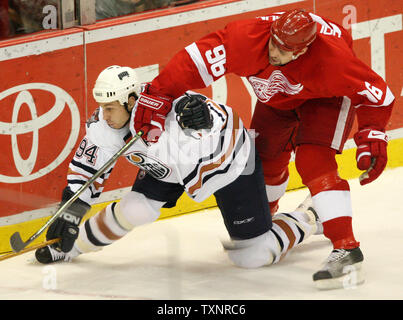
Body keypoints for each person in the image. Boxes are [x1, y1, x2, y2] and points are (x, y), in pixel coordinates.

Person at [135, 9, 396, 289]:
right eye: (273, 43)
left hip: (325, 100)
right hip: (276, 101)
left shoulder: (332, 60)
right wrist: (159, 94)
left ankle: (346, 248)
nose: (273, 52)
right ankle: (264, 225)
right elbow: (193, 61)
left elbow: (378, 95)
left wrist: (371, 135)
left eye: (283, 50)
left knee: (313, 161)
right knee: (262, 161)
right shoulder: (247, 38)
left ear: (303, 50)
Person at [35, 65, 320, 272]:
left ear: (131, 101)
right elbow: (87, 166)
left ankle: (310, 216)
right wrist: (73, 209)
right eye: (102, 107)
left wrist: (203, 119)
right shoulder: (103, 126)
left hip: (228, 164)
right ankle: (71, 247)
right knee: (136, 208)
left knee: (254, 255)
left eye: (110, 108)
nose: (103, 115)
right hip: (168, 166)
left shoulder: (171, 107)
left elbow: (220, 117)